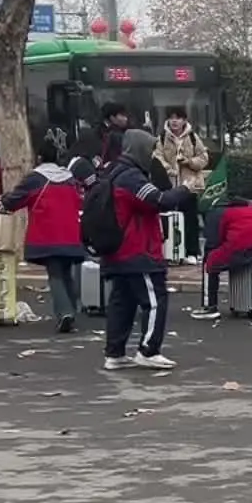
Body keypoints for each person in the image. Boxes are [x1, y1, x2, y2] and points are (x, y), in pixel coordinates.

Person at [101, 130, 192, 372]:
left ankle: (115, 354)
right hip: (137, 250)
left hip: (117, 250)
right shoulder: (131, 177)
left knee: (122, 301)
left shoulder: (113, 172)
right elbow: (159, 200)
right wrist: (185, 189)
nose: (152, 154)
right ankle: (148, 350)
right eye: (150, 149)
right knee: (155, 299)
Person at [0, 133, 84, 331]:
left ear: (39, 158)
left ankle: (65, 313)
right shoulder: (70, 178)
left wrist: (4, 202)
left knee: (55, 273)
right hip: (70, 234)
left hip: (47, 235)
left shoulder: (35, 178)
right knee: (66, 272)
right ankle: (72, 310)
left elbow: (15, 200)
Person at [192, 198, 252, 319]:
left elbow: (212, 243)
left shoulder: (218, 213)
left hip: (246, 243)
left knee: (210, 262)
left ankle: (209, 306)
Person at [154, 107, 208, 263]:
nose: (174, 121)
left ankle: (192, 252)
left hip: (189, 185)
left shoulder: (192, 137)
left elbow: (204, 158)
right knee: (169, 219)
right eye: (171, 118)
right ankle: (171, 253)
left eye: (178, 118)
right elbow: (157, 157)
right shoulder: (162, 137)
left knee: (190, 219)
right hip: (169, 186)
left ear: (184, 120)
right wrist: (168, 169)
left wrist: (189, 162)